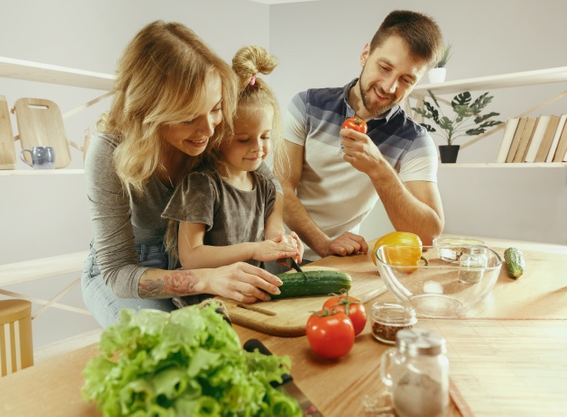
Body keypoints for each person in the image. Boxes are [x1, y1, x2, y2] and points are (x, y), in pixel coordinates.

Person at [81, 21, 288, 328]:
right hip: (132, 271)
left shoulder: (211, 131)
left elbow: (268, 179)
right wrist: (207, 279)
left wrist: (285, 234)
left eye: (216, 108)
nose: (209, 130)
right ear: (149, 109)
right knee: (165, 348)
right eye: (189, 117)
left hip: (200, 267)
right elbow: (118, 273)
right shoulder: (108, 152)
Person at [279, 10, 446, 262]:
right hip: (278, 251)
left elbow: (428, 235)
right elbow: (281, 189)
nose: (389, 87)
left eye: (406, 80)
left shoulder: (414, 140)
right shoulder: (306, 105)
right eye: (385, 67)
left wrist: (379, 168)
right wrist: (324, 244)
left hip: (339, 261)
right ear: (365, 54)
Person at [162, 46, 302, 275]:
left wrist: (286, 249)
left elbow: (272, 241)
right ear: (218, 137)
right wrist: (254, 249)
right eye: (244, 139)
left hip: (246, 296)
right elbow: (191, 257)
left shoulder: (266, 187)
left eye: (265, 137)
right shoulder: (201, 185)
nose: (258, 148)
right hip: (206, 301)